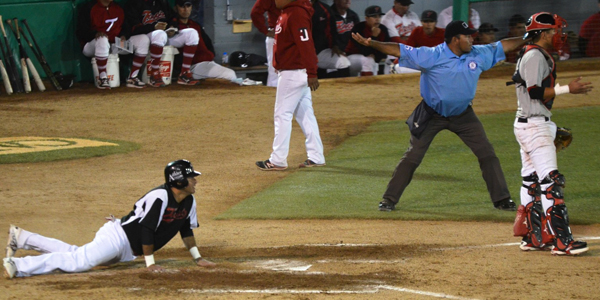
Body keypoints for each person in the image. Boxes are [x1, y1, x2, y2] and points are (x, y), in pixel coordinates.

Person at [352, 20, 529, 212]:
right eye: (467, 36)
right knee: (412, 157)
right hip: (432, 114)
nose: (471, 39)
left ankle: (502, 199)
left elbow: (503, 45)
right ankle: (388, 199)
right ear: (455, 39)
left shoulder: (477, 53)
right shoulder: (432, 55)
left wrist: (528, 37)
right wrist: (371, 44)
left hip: (463, 115)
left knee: (487, 154)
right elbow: (399, 50)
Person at [3, 160, 216, 279]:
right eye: (191, 177)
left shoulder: (189, 201)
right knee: (81, 262)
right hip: (118, 238)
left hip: (128, 249)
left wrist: (198, 258)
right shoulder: (160, 196)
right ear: (179, 181)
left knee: (77, 254)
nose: (195, 180)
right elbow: (147, 230)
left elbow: (186, 230)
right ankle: (19, 265)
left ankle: (23, 238)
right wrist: (150, 263)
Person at [511, 12, 593, 255]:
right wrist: (569, 88)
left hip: (529, 124)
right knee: (551, 182)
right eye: (555, 31)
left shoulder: (531, 53)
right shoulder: (535, 55)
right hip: (534, 125)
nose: (559, 35)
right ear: (543, 33)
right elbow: (536, 92)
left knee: (532, 182)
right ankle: (562, 242)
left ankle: (534, 237)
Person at [255, 0, 326, 171]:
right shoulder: (287, 12)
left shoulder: (296, 13)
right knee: (306, 115)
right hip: (295, 71)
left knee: (282, 114)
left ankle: (278, 160)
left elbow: (306, 44)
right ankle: (316, 156)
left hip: (293, 72)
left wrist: (312, 72)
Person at [173, 0, 260, 85]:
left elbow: (208, 43)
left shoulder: (195, 24)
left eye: (188, 6)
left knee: (230, 75)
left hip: (207, 62)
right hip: (193, 66)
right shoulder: (174, 26)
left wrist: (210, 54)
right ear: (176, 8)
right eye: (182, 6)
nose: (186, 9)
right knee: (229, 75)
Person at [124, 0, 200, 87]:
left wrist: (173, 28)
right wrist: (153, 27)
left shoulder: (162, 2)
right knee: (160, 33)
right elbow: (133, 28)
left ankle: (184, 73)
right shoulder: (134, 3)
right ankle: (154, 74)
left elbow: (173, 18)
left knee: (192, 33)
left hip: (162, 37)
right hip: (143, 36)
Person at [76, 0, 149, 89]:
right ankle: (102, 79)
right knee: (102, 39)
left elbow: (126, 27)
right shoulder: (89, 7)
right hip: (91, 46)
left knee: (143, 39)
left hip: (114, 45)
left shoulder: (117, 8)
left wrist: (123, 35)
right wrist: (94, 34)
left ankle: (132, 78)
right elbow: (81, 30)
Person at [345, 6, 392, 76]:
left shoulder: (383, 29)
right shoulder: (358, 28)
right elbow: (364, 51)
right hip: (352, 59)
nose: (377, 19)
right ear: (366, 18)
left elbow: (385, 51)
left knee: (378, 61)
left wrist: (376, 56)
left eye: (379, 16)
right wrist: (374, 37)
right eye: (374, 16)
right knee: (368, 60)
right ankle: (368, 84)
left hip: (372, 59)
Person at [311, 0, 351, 78]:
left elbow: (332, 30)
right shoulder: (295, 7)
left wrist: (335, 45)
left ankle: (343, 89)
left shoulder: (324, 9)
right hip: (297, 54)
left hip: (318, 52)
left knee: (343, 62)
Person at [251, 0, 280, 87]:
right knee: (275, 70)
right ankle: (272, 97)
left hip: (295, 35)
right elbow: (255, 13)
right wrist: (265, 31)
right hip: (276, 35)